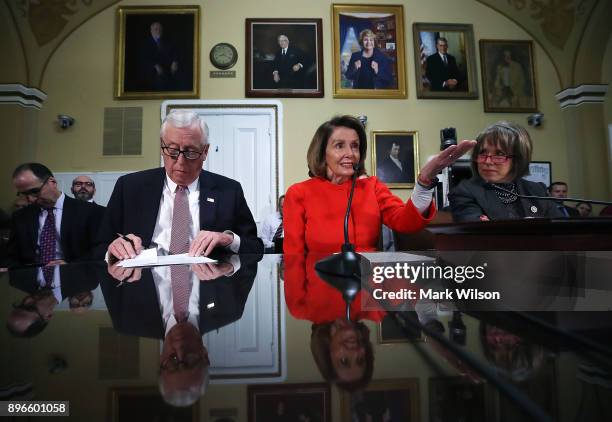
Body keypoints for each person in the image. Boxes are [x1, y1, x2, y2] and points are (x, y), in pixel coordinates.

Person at [283, 115, 474, 254]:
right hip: (320, 294)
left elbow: (405, 222)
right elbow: (293, 256)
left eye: (355, 146)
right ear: (322, 152)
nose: (350, 153)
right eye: (339, 145)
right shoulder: (298, 193)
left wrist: (424, 181)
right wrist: (301, 306)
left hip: (368, 292)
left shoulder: (372, 187)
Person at [97, 109, 263, 261]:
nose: (181, 162)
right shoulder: (129, 187)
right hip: (143, 284)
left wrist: (228, 239)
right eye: (173, 151)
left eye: (190, 152)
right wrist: (112, 250)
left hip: (208, 285)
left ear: (205, 151)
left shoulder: (229, 190)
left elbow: (256, 248)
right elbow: (99, 246)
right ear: (162, 148)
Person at [449, 121, 564, 221]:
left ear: (518, 159)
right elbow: (481, 236)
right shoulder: (464, 191)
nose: (488, 161)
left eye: (500, 154)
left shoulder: (537, 190)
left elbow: (561, 230)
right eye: (482, 153)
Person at [7, 163, 101, 267]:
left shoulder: (91, 212)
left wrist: (71, 265)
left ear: (52, 182)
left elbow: (101, 250)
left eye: (35, 191)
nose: (30, 199)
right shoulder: (20, 216)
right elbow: (12, 255)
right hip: (32, 278)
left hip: (75, 276)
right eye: (24, 194)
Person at [141, 21, 180, 91]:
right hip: (152, 71)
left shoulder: (167, 41)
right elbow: (145, 58)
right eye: (156, 29)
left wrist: (175, 62)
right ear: (151, 31)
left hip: (168, 69)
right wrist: (155, 65)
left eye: (160, 29)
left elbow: (175, 52)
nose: (158, 31)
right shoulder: (146, 43)